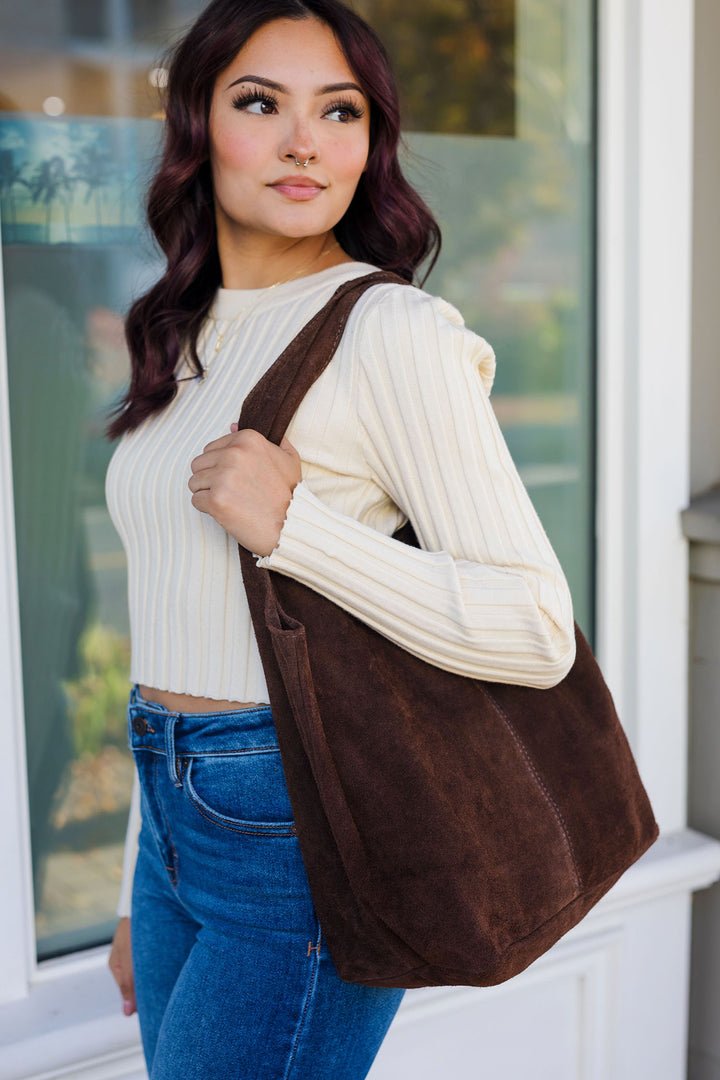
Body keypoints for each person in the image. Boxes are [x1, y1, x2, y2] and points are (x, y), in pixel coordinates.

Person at [106, 0, 577, 1076]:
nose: (305, 141)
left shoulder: (388, 330)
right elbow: (172, 609)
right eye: (260, 102)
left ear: (371, 144)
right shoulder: (180, 332)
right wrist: (149, 869)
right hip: (172, 811)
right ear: (195, 123)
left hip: (299, 822)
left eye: (341, 111)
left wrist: (298, 530)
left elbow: (537, 624)